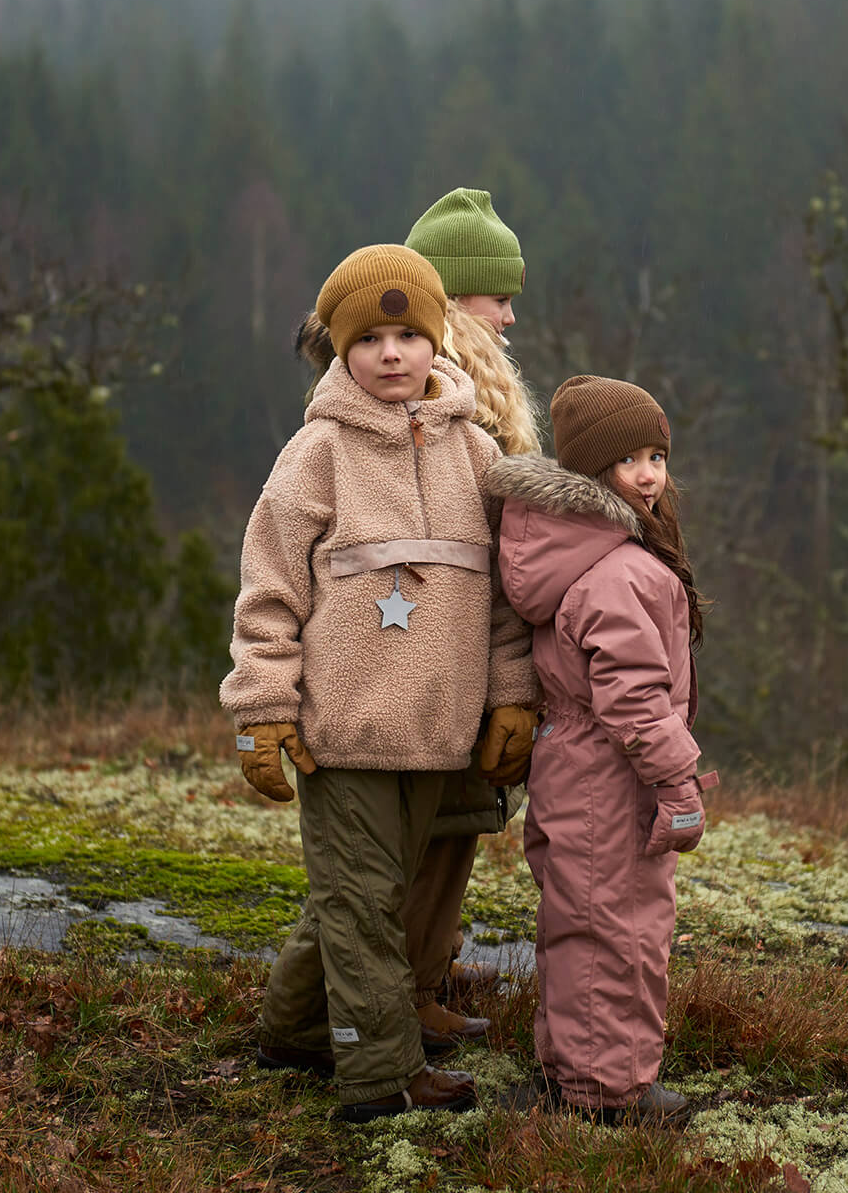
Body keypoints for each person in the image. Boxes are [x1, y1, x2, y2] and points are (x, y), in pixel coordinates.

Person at [220, 243, 540, 1121]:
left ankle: (293, 1032)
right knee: (361, 907)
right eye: (370, 339)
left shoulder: (476, 453)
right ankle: (378, 1075)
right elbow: (269, 595)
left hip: (440, 734)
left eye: (408, 334)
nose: (391, 353)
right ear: (341, 350)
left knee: (360, 900)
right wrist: (261, 711)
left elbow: (509, 601)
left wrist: (512, 694)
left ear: (438, 340)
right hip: (345, 733)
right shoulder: (314, 455)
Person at [290, 189, 540, 1056]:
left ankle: (360, 1000)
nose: (509, 313)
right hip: (398, 673)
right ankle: (395, 1000)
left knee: (423, 842)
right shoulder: (427, 404)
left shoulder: (466, 405)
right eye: (495, 294)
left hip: (456, 660)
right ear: (454, 292)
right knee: (404, 854)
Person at [488, 375, 718, 1127]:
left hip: (577, 766)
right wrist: (679, 784)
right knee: (614, 930)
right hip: (608, 777)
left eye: (657, 454)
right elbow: (635, 699)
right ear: (592, 473)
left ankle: (575, 1078)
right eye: (629, 460)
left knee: (583, 920)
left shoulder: (593, 557)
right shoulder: (617, 571)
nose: (649, 473)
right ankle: (604, 1096)